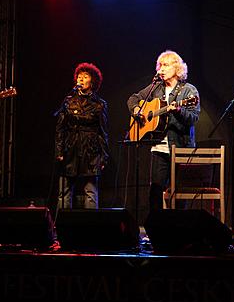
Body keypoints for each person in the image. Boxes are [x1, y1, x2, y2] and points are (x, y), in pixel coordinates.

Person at [127, 50, 200, 213]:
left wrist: (178, 111)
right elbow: (133, 98)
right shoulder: (156, 88)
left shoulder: (189, 91)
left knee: (179, 193)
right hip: (158, 147)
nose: (161, 69)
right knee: (155, 190)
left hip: (180, 147)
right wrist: (137, 109)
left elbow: (193, 118)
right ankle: (156, 226)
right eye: (160, 65)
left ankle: (180, 227)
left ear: (177, 68)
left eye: (165, 65)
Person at [54, 62, 109, 210]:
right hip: (70, 148)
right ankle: (64, 226)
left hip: (90, 150)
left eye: (85, 76)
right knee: (64, 191)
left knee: (90, 191)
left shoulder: (100, 104)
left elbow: (103, 131)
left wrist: (104, 156)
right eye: (79, 77)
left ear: (93, 81)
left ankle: (91, 228)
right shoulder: (68, 101)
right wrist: (59, 151)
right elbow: (60, 128)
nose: (81, 79)